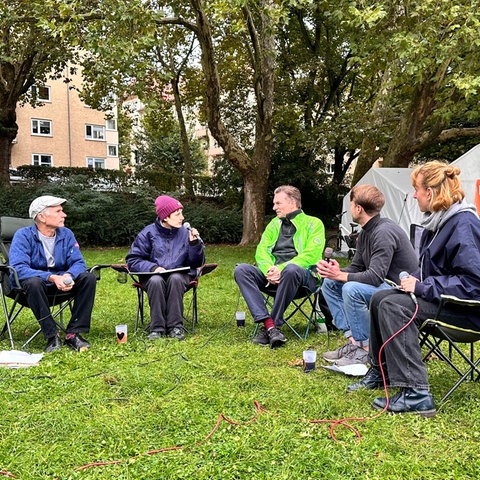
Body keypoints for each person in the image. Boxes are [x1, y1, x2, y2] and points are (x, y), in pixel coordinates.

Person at [348, 161, 480, 417]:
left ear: (429, 192)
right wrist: (411, 281)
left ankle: (416, 393)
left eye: (417, 189)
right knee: (381, 297)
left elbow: (474, 285)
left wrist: (422, 286)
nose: (414, 195)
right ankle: (381, 372)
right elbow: (434, 271)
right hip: (446, 302)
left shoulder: (463, 224)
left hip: (468, 313)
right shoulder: (438, 223)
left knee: (394, 305)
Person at [316, 184, 418, 366]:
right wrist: (335, 272)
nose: (350, 208)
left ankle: (366, 349)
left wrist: (341, 276)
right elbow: (357, 267)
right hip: (383, 285)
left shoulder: (384, 232)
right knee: (329, 284)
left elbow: (374, 277)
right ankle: (354, 341)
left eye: (351, 204)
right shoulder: (366, 232)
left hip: (402, 290)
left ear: (358, 208)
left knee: (351, 289)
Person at [234, 185, 325, 348]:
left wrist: (281, 269)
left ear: (293, 203)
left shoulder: (314, 223)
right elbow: (261, 251)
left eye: (278, 203)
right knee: (241, 270)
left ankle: (274, 324)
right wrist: (270, 270)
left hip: (302, 280)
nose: (274, 207)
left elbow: (311, 255)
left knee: (291, 270)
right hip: (273, 278)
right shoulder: (274, 224)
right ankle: (269, 326)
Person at [9, 195, 97, 352]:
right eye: (58, 211)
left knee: (88, 278)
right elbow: (19, 268)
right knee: (33, 282)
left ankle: (74, 334)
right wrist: (51, 277)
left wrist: (67, 276)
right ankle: (51, 335)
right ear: (42, 217)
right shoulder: (23, 236)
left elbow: (79, 262)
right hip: (33, 289)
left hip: (62, 284)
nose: (64, 215)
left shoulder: (66, 234)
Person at [126, 195, 205, 341]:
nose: (182, 217)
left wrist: (194, 245)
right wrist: (153, 267)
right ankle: (157, 329)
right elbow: (133, 260)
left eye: (181, 212)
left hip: (180, 275)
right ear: (165, 217)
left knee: (175, 278)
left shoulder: (185, 232)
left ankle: (176, 327)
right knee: (156, 281)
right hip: (152, 276)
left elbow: (196, 263)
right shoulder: (147, 233)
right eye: (177, 214)